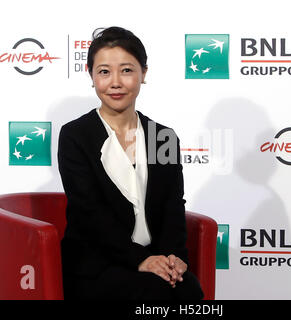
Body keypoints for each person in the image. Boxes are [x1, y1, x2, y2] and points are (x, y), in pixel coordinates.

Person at [57, 26, 203, 300]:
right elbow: (89, 214)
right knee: (153, 292)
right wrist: (140, 260)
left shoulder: (163, 137)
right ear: (91, 75)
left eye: (126, 70)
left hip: (153, 258)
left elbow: (173, 205)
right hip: (95, 265)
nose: (115, 82)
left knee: (189, 289)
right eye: (104, 72)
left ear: (143, 74)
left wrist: (174, 258)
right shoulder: (75, 136)